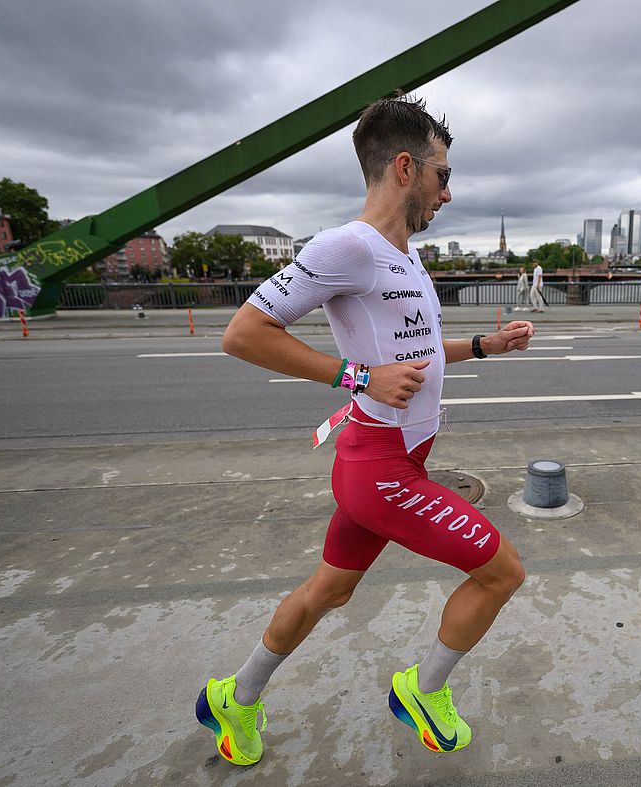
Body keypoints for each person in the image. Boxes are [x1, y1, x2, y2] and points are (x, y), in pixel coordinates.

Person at [195, 94, 533, 768]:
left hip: (384, 459)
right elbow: (244, 334)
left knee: (331, 589)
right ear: (405, 168)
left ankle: (235, 695)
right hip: (381, 466)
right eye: (442, 174)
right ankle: (422, 689)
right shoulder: (347, 247)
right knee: (501, 572)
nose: (448, 191)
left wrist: (485, 345)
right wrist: (356, 377)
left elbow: (418, 353)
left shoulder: (402, 258)